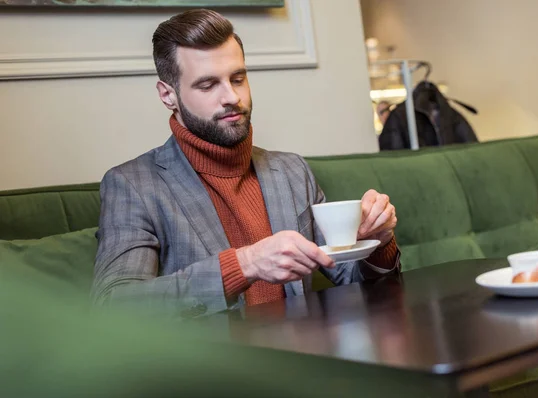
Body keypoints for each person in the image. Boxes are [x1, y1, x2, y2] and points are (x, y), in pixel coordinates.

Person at [91, 9, 400, 319]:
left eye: (238, 78)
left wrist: (377, 243)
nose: (231, 97)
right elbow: (114, 308)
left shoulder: (293, 171)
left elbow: (351, 281)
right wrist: (244, 264)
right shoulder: (133, 185)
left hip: (309, 355)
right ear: (168, 95)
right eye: (208, 85)